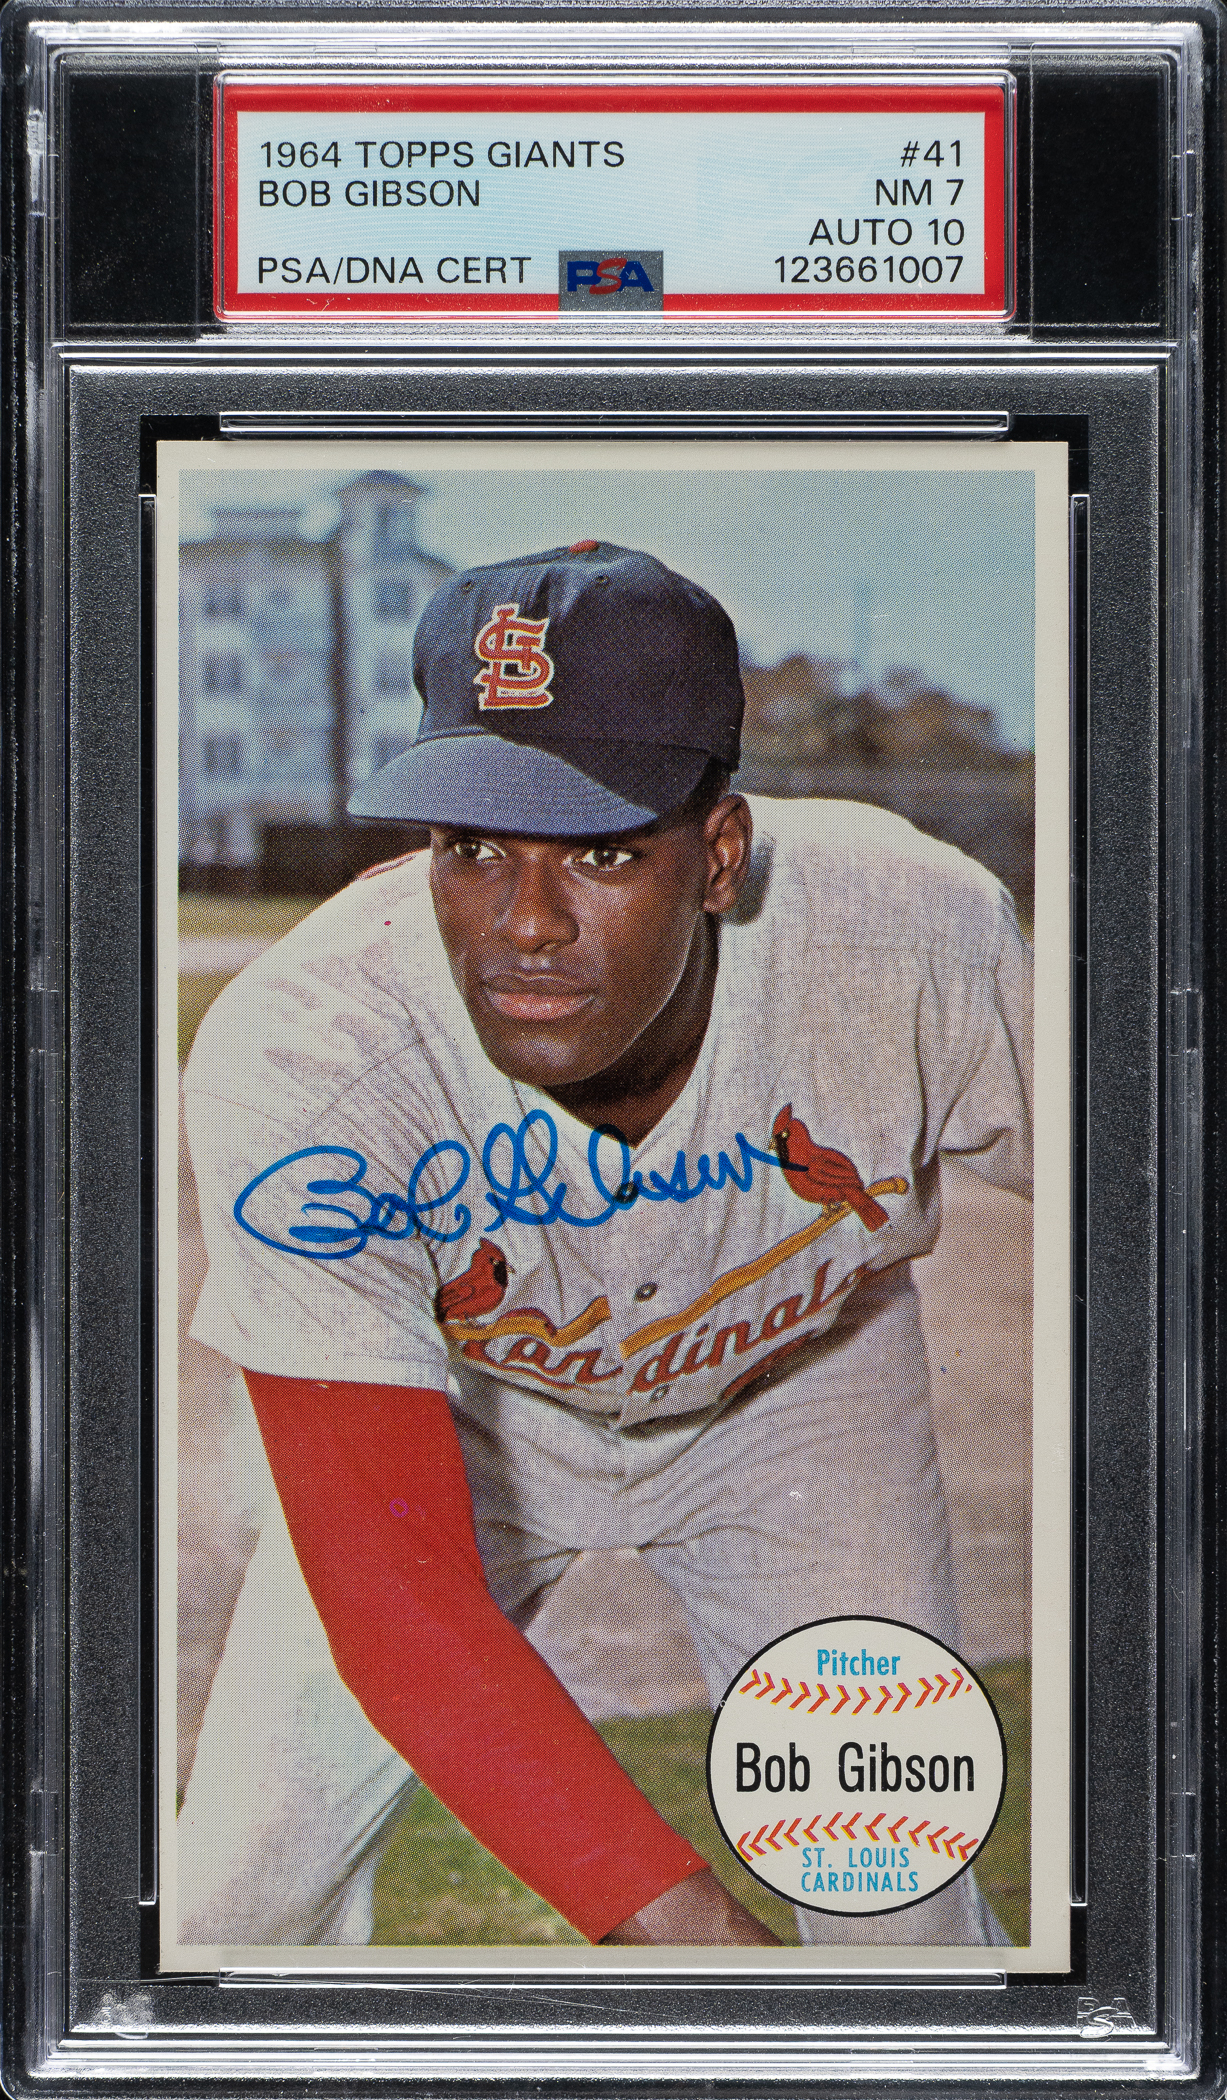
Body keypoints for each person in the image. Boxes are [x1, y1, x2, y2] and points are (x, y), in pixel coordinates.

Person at [178, 539, 1032, 1951]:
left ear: (719, 856)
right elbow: (397, 1604)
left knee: (896, 1903)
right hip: (463, 1413)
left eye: (602, 850)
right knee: (236, 1902)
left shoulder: (910, 939)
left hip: (800, 1399)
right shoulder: (311, 1053)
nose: (526, 923)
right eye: (473, 847)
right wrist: (710, 1961)